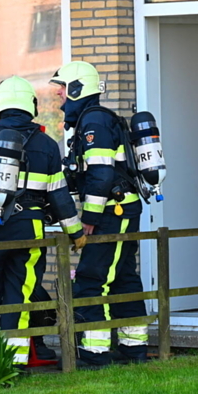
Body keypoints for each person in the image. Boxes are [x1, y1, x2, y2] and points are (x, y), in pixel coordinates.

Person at [0, 76, 86, 366]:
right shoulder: (47, 145)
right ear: (32, 106)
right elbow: (60, 197)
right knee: (21, 294)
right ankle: (15, 362)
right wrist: (76, 232)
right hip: (30, 229)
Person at [51, 61, 149, 368]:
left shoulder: (93, 123)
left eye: (64, 91)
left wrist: (89, 218)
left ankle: (95, 353)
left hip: (111, 210)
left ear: (78, 89)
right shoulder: (94, 120)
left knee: (93, 279)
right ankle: (133, 349)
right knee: (122, 277)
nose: (61, 99)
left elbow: (101, 175)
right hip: (118, 207)